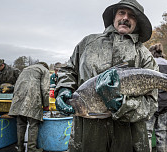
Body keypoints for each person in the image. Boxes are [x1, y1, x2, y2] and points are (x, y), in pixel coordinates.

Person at [54, 0, 158, 151]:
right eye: (121, 12)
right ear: (114, 17)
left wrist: (122, 105)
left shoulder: (145, 56)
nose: (125, 18)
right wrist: (63, 88)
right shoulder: (87, 43)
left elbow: (151, 104)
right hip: (86, 135)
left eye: (132, 16)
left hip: (130, 137)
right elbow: (69, 70)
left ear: (138, 22)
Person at [8, 62, 50, 152]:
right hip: (33, 99)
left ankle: (20, 147)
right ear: (45, 66)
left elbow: (16, 86)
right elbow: (45, 89)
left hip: (18, 99)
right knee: (33, 125)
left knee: (20, 124)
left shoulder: (25, 69)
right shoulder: (44, 70)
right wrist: (46, 105)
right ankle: (32, 149)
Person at [146, 43, 167, 152]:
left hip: (151, 102)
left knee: (148, 133)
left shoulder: (148, 64)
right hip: (166, 102)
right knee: (162, 133)